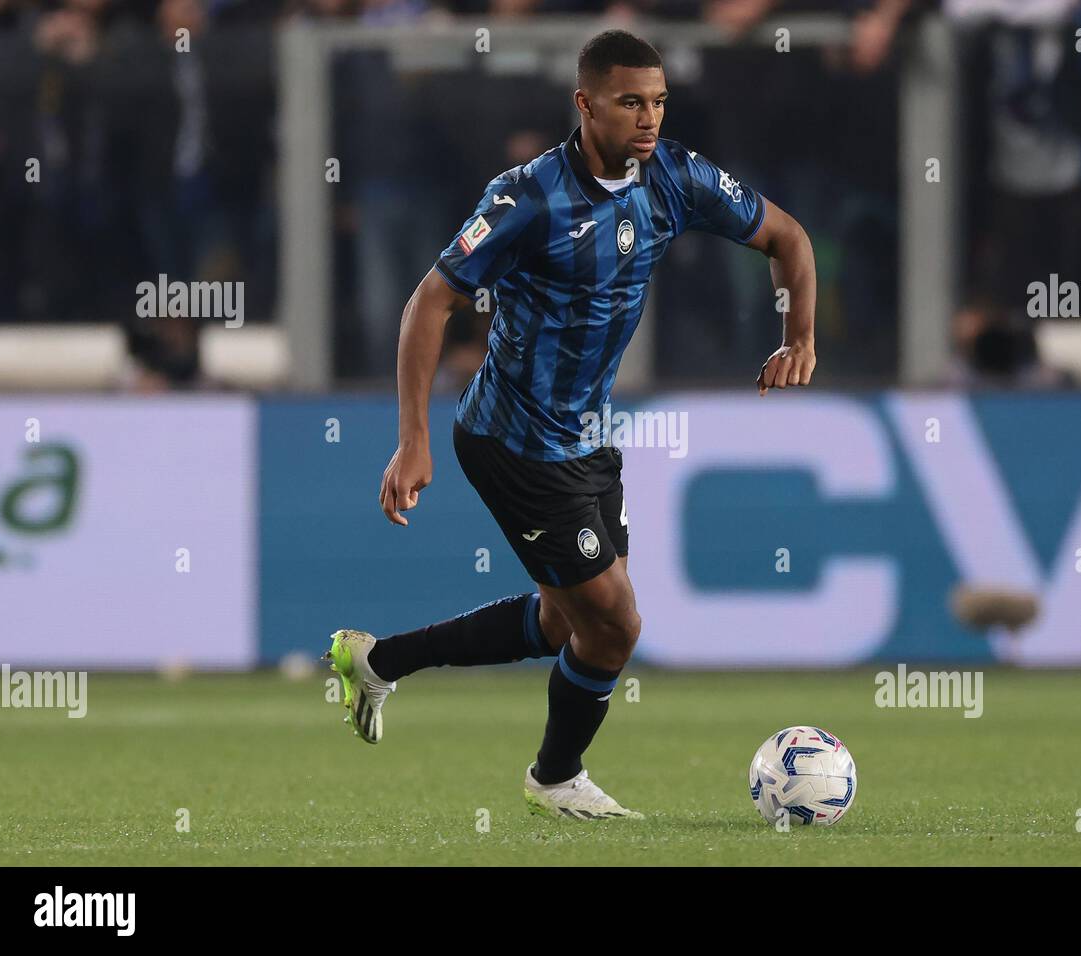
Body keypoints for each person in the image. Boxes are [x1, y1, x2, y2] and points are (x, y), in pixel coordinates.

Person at [324, 29, 817, 820]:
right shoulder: (528, 197)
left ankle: (378, 660)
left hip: (588, 441)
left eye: (658, 102)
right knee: (616, 625)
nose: (649, 119)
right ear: (585, 105)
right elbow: (430, 301)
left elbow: (787, 238)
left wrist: (799, 338)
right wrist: (413, 439)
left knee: (566, 624)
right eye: (630, 103)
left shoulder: (676, 178)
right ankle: (556, 778)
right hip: (512, 442)